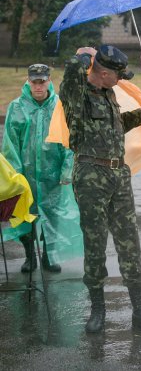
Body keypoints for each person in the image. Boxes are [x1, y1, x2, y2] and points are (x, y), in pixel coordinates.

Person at [59, 44, 141, 334]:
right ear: (102, 72)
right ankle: (98, 310)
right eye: (117, 74)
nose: (121, 79)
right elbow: (70, 73)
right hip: (91, 175)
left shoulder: (109, 93)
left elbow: (113, 126)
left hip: (119, 175)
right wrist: (82, 54)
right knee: (95, 245)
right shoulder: (76, 93)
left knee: (130, 242)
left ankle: (140, 311)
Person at [2, 64, 80, 273]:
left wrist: (66, 169)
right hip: (24, 175)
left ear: (48, 81)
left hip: (51, 175)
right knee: (25, 215)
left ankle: (48, 256)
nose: (38, 86)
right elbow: (10, 144)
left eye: (42, 81)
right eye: (34, 81)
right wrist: (15, 176)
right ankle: (30, 256)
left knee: (52, 216)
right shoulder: (16, 107)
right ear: (28, 81)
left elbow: (68, 141)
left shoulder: (59, 107)